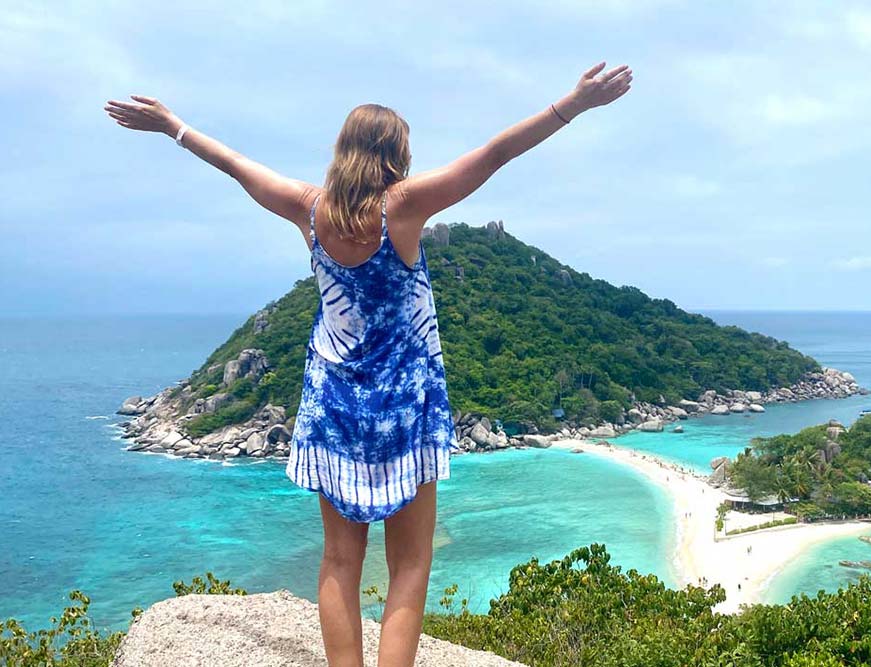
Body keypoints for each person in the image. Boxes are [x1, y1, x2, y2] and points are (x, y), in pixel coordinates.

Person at [104, 61, 632, 667]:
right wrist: (575, 103)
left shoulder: (309, 210)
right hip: (405, 408)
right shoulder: (401, 209)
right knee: (410, 566)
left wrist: (174, 126)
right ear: (394, 156)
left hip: (333, 407)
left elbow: (234, 164)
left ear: (343, 150)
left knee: (337, 561)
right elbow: (494, 154)